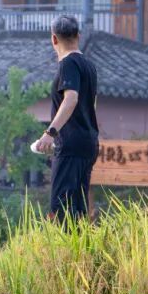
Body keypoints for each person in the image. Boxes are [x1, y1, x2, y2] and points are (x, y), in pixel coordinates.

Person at [32, 15, 99, 222]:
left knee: (60, 209)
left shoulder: (68, 63)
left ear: (54, 39)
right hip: (88, 143)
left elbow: (71, 99)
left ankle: (61, 244)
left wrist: (50, 133)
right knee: (78, 210)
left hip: (70, 145)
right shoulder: (89, 66)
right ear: (79, 35)